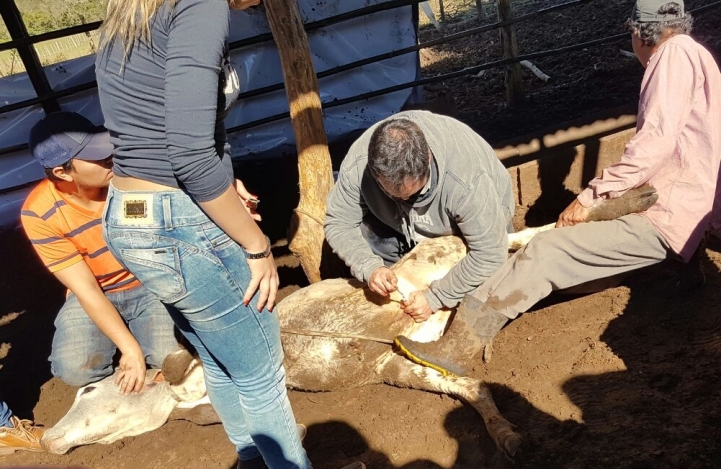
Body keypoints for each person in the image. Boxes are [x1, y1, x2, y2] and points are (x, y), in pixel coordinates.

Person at [95, 1, 363, 469]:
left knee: (219, 357)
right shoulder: (200, 6)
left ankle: (252, 457)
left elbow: (160, 129)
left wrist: (223, 181)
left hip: (131, 212)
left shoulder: (134, 10)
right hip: (176, 217)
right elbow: (191, 157)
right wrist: (256, 247)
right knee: (261, 372)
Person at [398, 0, 721, 369]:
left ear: (637, 33)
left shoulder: (671, 59)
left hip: (670, 214)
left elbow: (654, 144)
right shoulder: (696, 53)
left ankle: (456, 348)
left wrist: (590, 196)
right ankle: (687, 269)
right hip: (692, 206)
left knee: (546, 251)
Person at [20, 111, 179, 393]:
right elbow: (87, 291)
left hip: (148, 281)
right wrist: (129, 349)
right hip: (96, 293)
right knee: (74, 369)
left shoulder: (128, 182)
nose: (111, 156)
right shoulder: (39, 212)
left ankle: (138, 345)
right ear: (62, 172)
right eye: (96, 154)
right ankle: (128, 345)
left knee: (170, 358)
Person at [325, 110, 515, 321]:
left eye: (413, 194)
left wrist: (436, 296)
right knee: (394, 307)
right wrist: (369, 267)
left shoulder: (466, 181)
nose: (404, 199)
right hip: (396, 225)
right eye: (390, 192)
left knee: (493, 289)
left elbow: (490, 254)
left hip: (467, 225)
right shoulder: (358, 165)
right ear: (374, 171)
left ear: (428, 157)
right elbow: (339, 222)